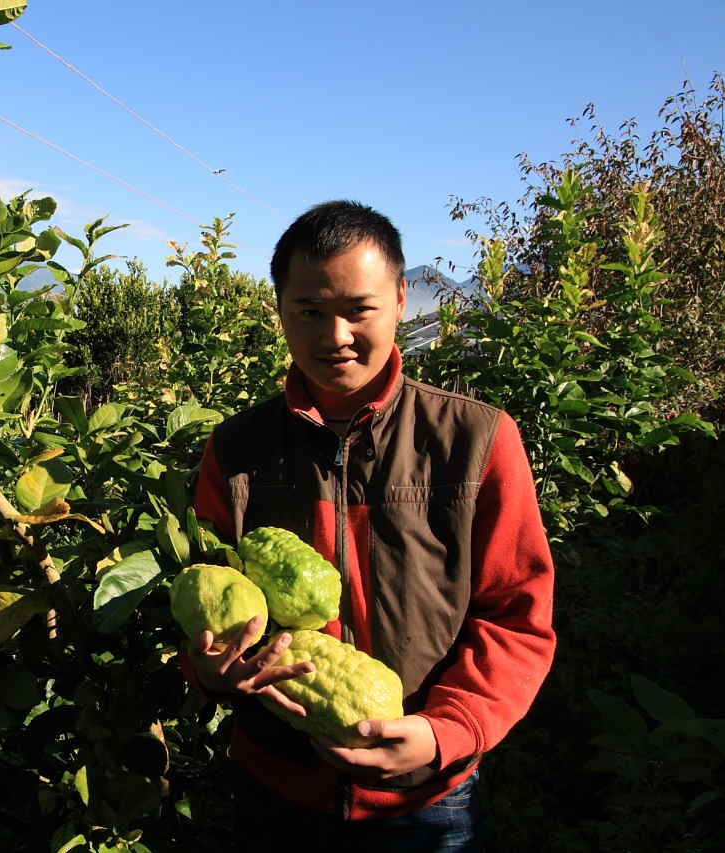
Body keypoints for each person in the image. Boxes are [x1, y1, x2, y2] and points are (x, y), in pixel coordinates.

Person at [181, 200, 556, 851]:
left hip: (428, 797)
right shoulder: (236, 451)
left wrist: (449, 729)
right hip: (277, 788)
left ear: (402, 299)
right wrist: (207, 669)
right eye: (310, 312)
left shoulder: (475, 441)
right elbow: (203, 594)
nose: (336, 336)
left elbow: (517, 613)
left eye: (359, 309)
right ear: (280, 310)